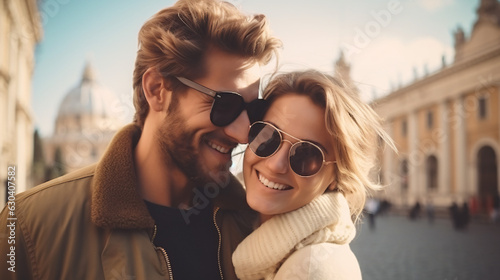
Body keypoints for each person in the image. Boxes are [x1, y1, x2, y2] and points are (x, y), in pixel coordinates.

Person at [0, 1, 281, 279]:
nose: (244, 133)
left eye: (252, 111)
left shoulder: (257, 226)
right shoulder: (28, 226)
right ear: (157, 89)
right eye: (225, 105)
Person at [232, 70, 395, 279]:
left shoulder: (314, 269)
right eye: (267, 136)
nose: (275, 165)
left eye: (306, 154)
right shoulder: (234, 227)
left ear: (337, 177)